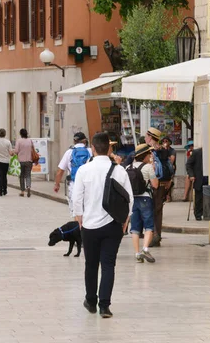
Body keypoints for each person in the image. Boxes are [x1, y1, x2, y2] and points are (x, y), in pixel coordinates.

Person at [72, 133, 133, 318]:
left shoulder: (84, 170)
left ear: (92, 147)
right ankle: (104, 305)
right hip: (113, 224)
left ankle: (90, 301)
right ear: (109, 148)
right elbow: (129, 199)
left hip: (89, 225)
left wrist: (79, 218)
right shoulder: (119, 171)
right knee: (108, 264)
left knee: (91, 264)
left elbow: (77, 198)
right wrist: (126, 220)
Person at [128, 144, 159, 263]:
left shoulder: (128, 167)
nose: (150, 155)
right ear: (145, 156)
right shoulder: (148, 167)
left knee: (135, 228)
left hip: (133, 200)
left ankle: (137, 254)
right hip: (145, 199)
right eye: (149, 154)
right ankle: (145, 249)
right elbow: (155, 185)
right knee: (149, 226)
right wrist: (153, 170)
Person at [144, 127, 171, 247]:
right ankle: (157, 234)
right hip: (163, 184)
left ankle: (153, 235)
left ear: (150, 137)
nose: (145, 138)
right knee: (158, 210)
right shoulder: (163, 150)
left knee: (151, 210)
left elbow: (150, 168)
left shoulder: (150, 151)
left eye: (146, 136)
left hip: (154, 183)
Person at [54, 132, 92, 215]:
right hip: (89, 185)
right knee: (88, 211)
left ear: (74, 141)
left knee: (76, 213)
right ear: (85, 141)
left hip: (74, 185)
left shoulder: (69, 152)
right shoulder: (90, 151)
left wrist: (57, 184)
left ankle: (78, 226)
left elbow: (60, 171)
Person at [186, 147, 206, 221]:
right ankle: (198, 214)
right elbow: (188, 165)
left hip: (208, 177)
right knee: (198, 197)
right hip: (199, 177)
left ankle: (205, 212)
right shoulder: (196, 152)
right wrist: (191, 175)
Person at [13, 128, 34, 197]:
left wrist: (14, 153)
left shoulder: (19, 141)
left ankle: (22, 191)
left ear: (20, 134)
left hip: (21, 161)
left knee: (21, 176)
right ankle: (28, 187)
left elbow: (16, 151)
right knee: (28, 175)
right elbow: (32, 149)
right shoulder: (30, 141)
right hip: (29, 161)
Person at [162, 137, 176, 202]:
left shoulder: (172, 150)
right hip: (163, 168)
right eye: (163, 141)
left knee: (170, 167)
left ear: (169, 142)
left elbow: (172, 161)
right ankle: (164, 195)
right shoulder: (161, 149)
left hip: (169, 168)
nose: (165, 143)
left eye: (166, 141)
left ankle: (168, 195)